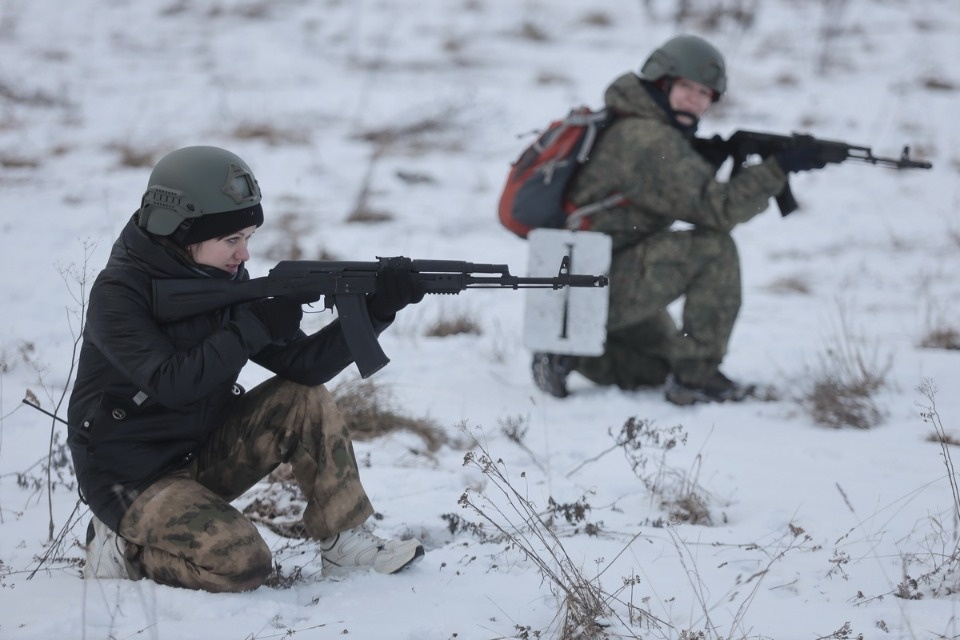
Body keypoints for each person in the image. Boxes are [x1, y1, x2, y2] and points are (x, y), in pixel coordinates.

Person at [67, 145, 427, 591]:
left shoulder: (222, 278)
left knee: (303, 398)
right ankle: (125, 544)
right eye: (231, 240)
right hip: (130, 480)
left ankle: (347, 544)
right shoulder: (120, 294)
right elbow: (171, 383)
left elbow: (304, 367)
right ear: (182, 233)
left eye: (249, 238)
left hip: (200, 454)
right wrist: (251, 327)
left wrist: (377, 311)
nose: (244, 256)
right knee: (243, 565)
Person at [531, 34, 828, 406]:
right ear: (660, 82)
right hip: (602, 280)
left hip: (583, 282)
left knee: (660, 366)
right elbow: (718, 210)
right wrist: (777, 170)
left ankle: (569, 350)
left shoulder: (632, 124)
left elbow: (663, 186)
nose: (695, 99)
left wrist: (708, 157)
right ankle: (697, 376)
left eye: (705, 94)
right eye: (686, 86)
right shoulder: (651, 140)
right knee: (714, 249)